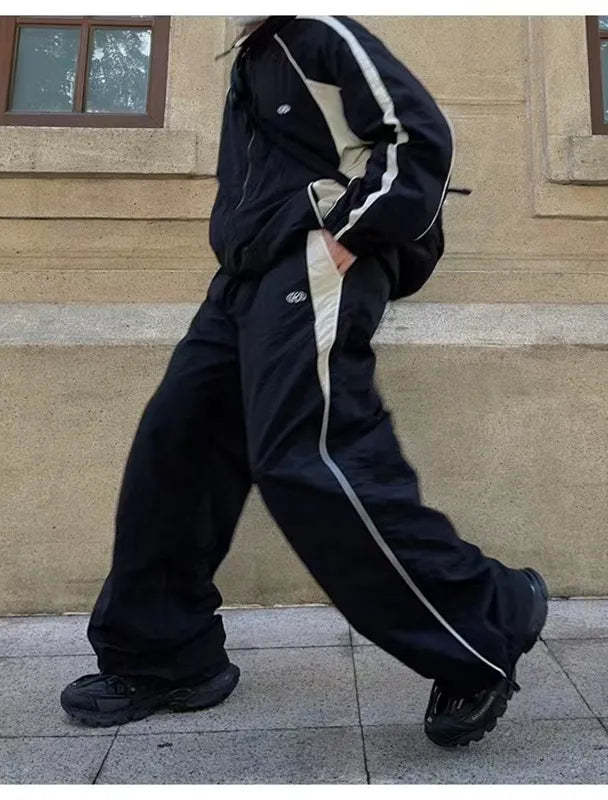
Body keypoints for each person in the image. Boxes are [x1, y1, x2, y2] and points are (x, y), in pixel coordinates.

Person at [60, 15, 548, 748]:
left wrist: (349, 233)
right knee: (178, 447)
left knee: (309, 456)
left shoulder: (314, 31)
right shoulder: (253, 53)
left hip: (312, 258)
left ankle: (485, 619)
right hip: (244, 279)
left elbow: (416, 135)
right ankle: (166, 656)